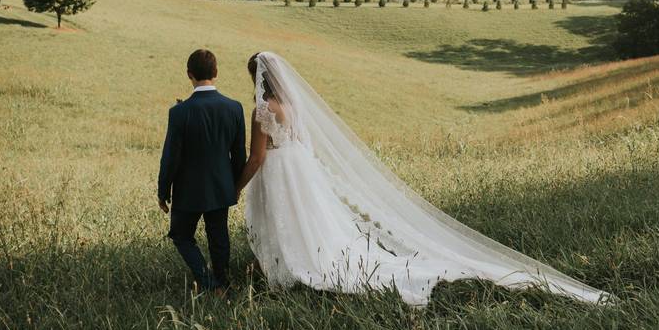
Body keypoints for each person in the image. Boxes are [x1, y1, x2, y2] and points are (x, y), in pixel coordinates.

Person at [235, 51, 609, 306]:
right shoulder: (294, 105)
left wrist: (236, 186)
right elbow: (301, 141)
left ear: (258, 77)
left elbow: (257, 156)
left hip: (282, 170)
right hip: (301, 167)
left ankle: (291, 271)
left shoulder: (263, 109)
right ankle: (299, 265)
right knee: (311, 220)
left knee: (291, 222)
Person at [158, 49, 246, 294]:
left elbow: (170, 157)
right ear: (216, 73)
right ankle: (223, 282)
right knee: (219, 236)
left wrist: (162, 191)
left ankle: (208, 283)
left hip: (188, 190)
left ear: (189, 74)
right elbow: (239, 155)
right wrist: (235, 186)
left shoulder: (179, 112)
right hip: (221, 186)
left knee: (181, 236)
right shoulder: (234, 108)